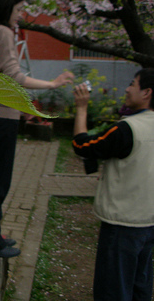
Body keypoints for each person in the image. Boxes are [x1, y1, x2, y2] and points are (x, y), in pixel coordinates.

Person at [0, 0, 74, 258]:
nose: (20, 15)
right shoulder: (3, 32)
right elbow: (14, 76)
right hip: (2, 116)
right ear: (7, 7)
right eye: (18, 10)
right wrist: (52, 84)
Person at [72, 68, 154, 301]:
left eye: (133, 84)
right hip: (148, 222)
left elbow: (83, 146)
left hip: (122, 224)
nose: (127, 89)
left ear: (146, 92)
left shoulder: (126, 129)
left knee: (113, 289)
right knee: (140, 285)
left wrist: (81, 108)